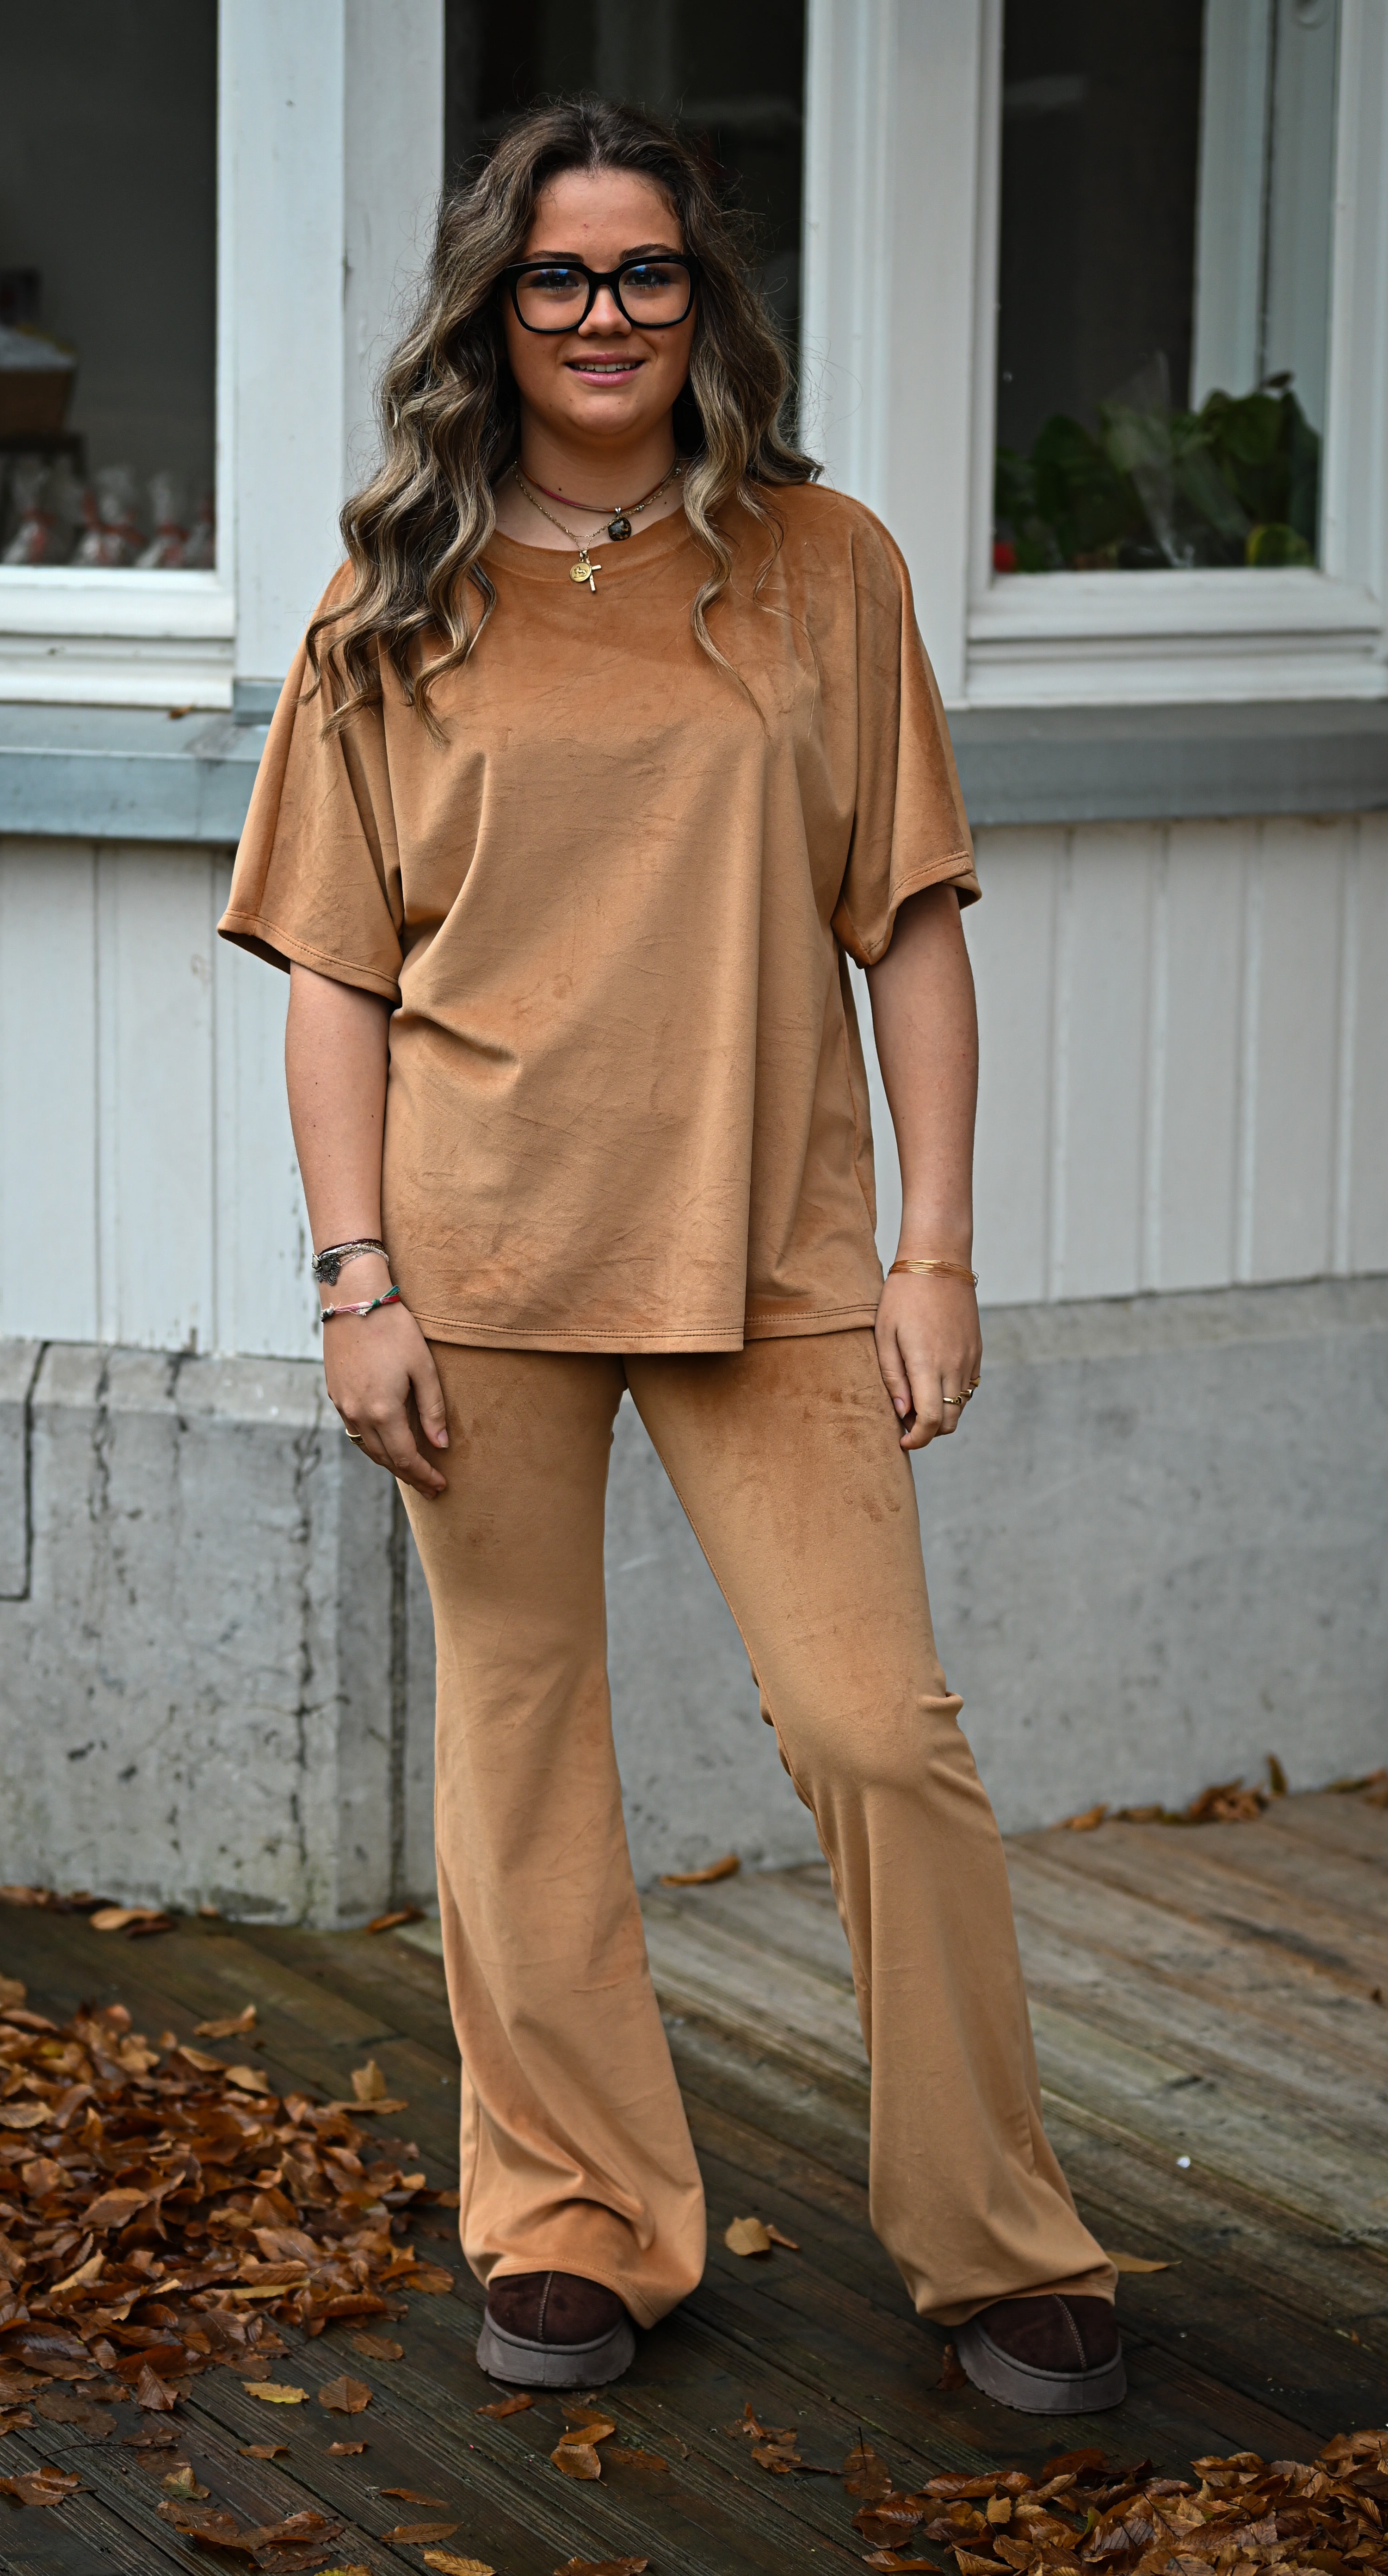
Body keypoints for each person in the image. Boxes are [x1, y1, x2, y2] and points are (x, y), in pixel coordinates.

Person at [219, 99, 1123, 2417]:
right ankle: (576, 2224)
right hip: (477, 1259)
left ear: (701, 300)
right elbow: (335, 973)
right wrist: (354, 1276)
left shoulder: (825, 565)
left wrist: (936, 1249)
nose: (602, 313)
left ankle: (998, 2239)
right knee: (520, 1745)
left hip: (778, 1252)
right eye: (557, 275)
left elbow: (910, 922)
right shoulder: (392, 594)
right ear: (490, 311)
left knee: (873, 1733)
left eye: (643, 272)